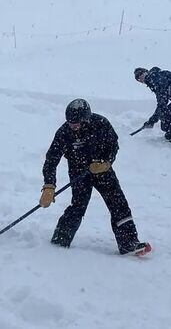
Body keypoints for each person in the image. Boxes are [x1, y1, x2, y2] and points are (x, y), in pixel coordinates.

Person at [40, 99, 151, 256]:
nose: (73, 125)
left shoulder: (101, 124)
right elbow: (51, 160)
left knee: (118, 203)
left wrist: (106, 163)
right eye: (70, 122)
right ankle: (60, 240)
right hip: (79, 172)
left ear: (85, 119)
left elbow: (113, 145)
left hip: (102, 170)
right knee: (78, 206)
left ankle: (128, 243)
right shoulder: (64, 133)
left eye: (76, 122)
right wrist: (49, 186)